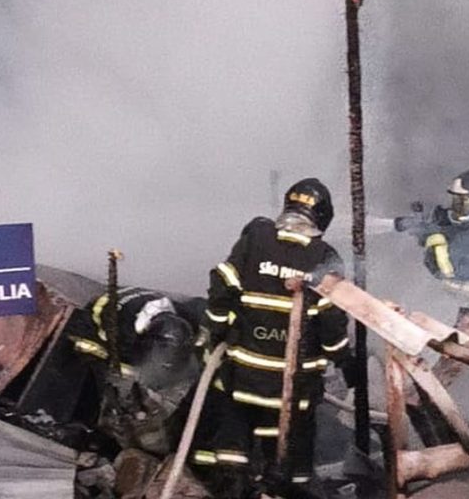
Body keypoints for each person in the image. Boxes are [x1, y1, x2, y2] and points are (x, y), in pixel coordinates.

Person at [189, 178, 353, 497]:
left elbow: (223, 284)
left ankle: (231, 485)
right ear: (324, 217)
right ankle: (290, 486)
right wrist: (344, 358)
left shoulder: (256, 239)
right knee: (294, 453)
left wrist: (216, 328)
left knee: (233, 437)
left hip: (243, 375)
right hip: (294, 385)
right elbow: (332, 320)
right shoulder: (325, 257)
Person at [396, 167, 469, 297]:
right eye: (455, 200)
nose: (456, 207)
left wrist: (433, 239)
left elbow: (445, 273)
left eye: (463, 202)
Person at [68, 286, 198, 389]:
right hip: (95, 323)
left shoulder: (184, 317)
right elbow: (129, 365)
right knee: (98, 357)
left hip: (131, 303)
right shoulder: (124, 334)